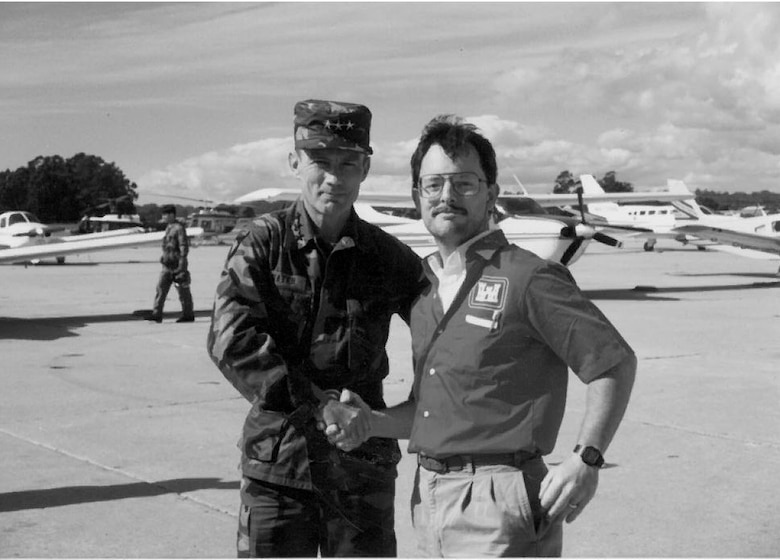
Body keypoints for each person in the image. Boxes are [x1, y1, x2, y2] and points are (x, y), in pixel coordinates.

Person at [329, 115, 637, 557]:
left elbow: (614, 363)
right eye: (432, 185)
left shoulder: (530, 277)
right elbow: (428, 413)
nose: (446, 197)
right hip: (430, 496)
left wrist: (586, 459)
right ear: (417, 196)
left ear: (491, 194)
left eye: (464, 184)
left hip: (498, 499)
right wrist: (371, 423)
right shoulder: (428, 293)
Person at [206, 99, 425, 557]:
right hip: (279, 466)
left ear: (366, 168)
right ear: (294, 162)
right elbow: (232, 340)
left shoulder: (388, 257)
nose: (334, 177)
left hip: (362, 468)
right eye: (320, 162)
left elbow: (444, 325)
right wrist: (320, 405)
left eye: (349, 163)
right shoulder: (264, 242)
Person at [146, 205, 194, 323]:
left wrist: (182, 265)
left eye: (165, 214)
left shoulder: (179, 228)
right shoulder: (169, 227)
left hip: (177, 265)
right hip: (167, 265)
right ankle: (157, 314)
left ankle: (188, 314)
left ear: (172, 215)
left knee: (183, 292)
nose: (163, 217)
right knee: (161, 289)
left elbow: (183, 246)